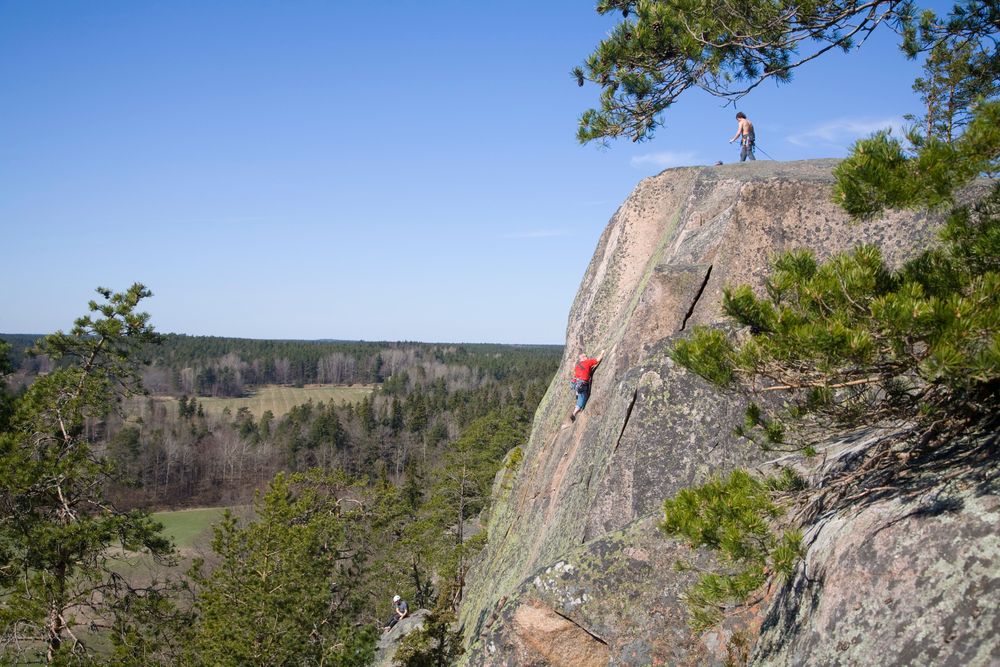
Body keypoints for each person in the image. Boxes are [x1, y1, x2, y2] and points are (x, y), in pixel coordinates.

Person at [569, 349, 605, 422]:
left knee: (580, 393)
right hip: (583, 384)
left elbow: (576, 376)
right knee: (582, 400)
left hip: (577, 384)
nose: (587, 357)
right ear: (583, 358)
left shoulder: (577, 366)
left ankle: (577, 396)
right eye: (586, 356)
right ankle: (574, 413)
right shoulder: (587, 362)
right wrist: (602, 353)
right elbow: (597, 360)